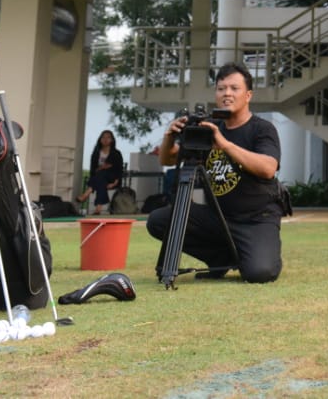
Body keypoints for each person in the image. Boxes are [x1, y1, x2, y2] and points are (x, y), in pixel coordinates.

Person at [145, 63, 285, 283]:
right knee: (158, 220)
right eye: (221, 88)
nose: (227, 93)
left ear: (248, 95)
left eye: (234, 88)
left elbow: (268, 168)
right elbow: (168, 159)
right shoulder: (209, 127)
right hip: (218, 217)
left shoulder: (262, 129)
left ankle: (252, 253)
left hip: (256, 218)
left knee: (260, 273)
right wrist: (169, 137)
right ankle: (222, 256)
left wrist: (225, 144)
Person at [77, 129, 124, 215]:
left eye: (108, 137)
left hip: (112, 178)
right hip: (100, 178)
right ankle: (98, 209)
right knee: (100, 179)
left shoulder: (116, 153)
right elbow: (93, 169)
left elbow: (119, 169)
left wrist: (115, 182)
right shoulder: (96, 153)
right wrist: (102, 168)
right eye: (103, 137)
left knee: (101, 174)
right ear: (100, 139)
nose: (105, 139)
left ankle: (86, 194)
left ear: (112, 140)